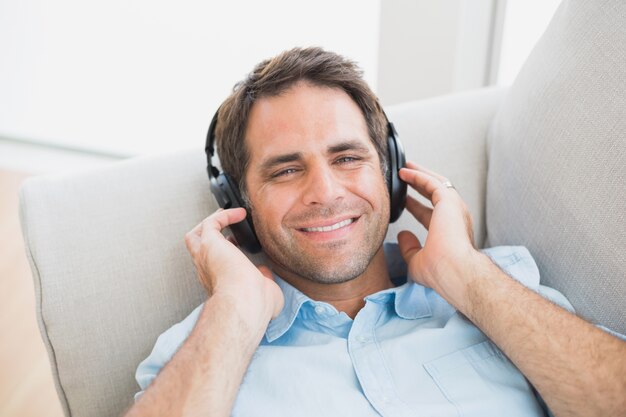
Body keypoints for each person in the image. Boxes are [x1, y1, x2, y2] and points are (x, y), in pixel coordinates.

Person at [124, 47, 626, 417]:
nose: (325, 192)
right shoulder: (200, 348)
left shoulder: (499, 287)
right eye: (285, 170)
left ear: (390, 173)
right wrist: (233, 309)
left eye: (347, 157)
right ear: (238, 204)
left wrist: (467, 276)